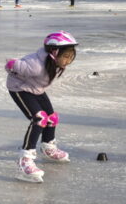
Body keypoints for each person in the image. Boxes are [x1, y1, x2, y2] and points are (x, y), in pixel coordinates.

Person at [6, 31, 78, 183]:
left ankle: (48, 147)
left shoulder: (51, 61)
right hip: (19, 88)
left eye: (71, 56)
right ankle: (25, 159)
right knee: (39, 118)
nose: (68, 61)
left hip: (36, 88)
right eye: (66, 56)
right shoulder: (35, 66)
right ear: (54, 52)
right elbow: (12, 64)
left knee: (52, 117)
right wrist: (13, 68)